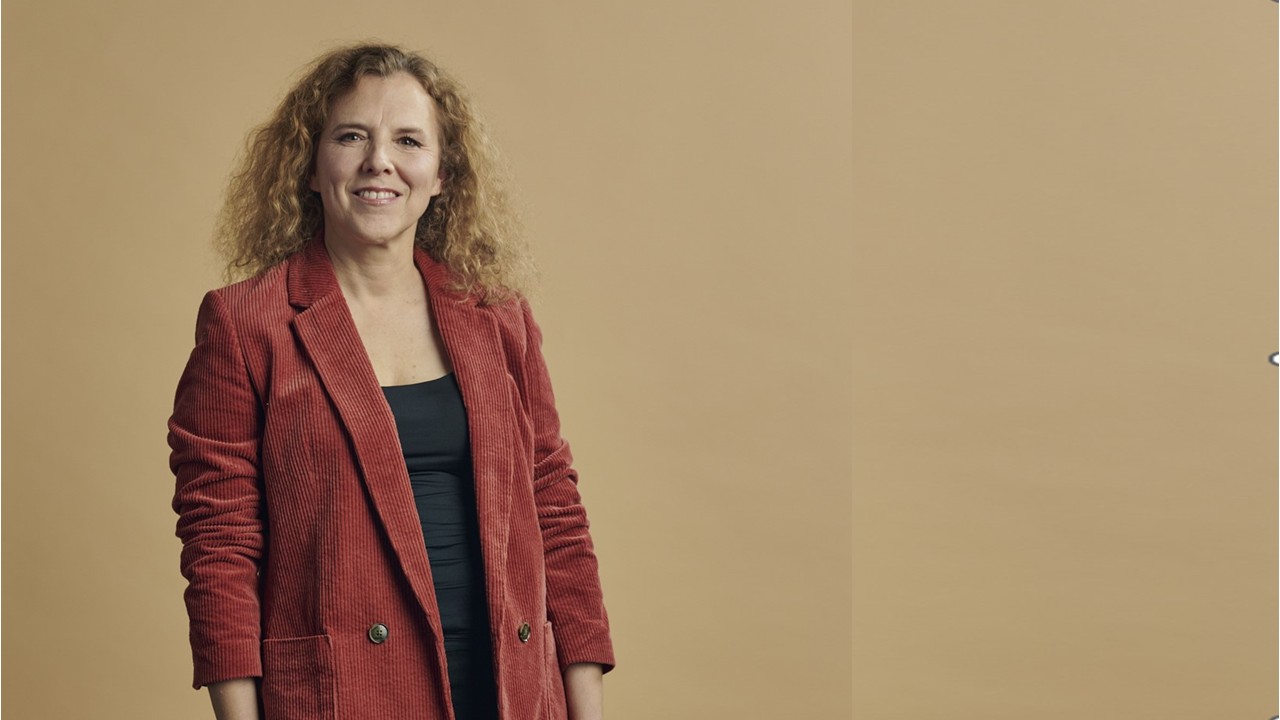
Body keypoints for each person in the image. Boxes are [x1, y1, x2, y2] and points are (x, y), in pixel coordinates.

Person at [168, 43, 614, 720]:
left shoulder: (498, 317)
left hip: (511, 691)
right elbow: (219, 546)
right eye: (351, 136)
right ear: (310, 167)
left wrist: (585, 708)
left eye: (408, 140)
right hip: (342, 696)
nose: (380, 160)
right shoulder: (245, 324)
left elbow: (554, 508)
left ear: (441, 175)